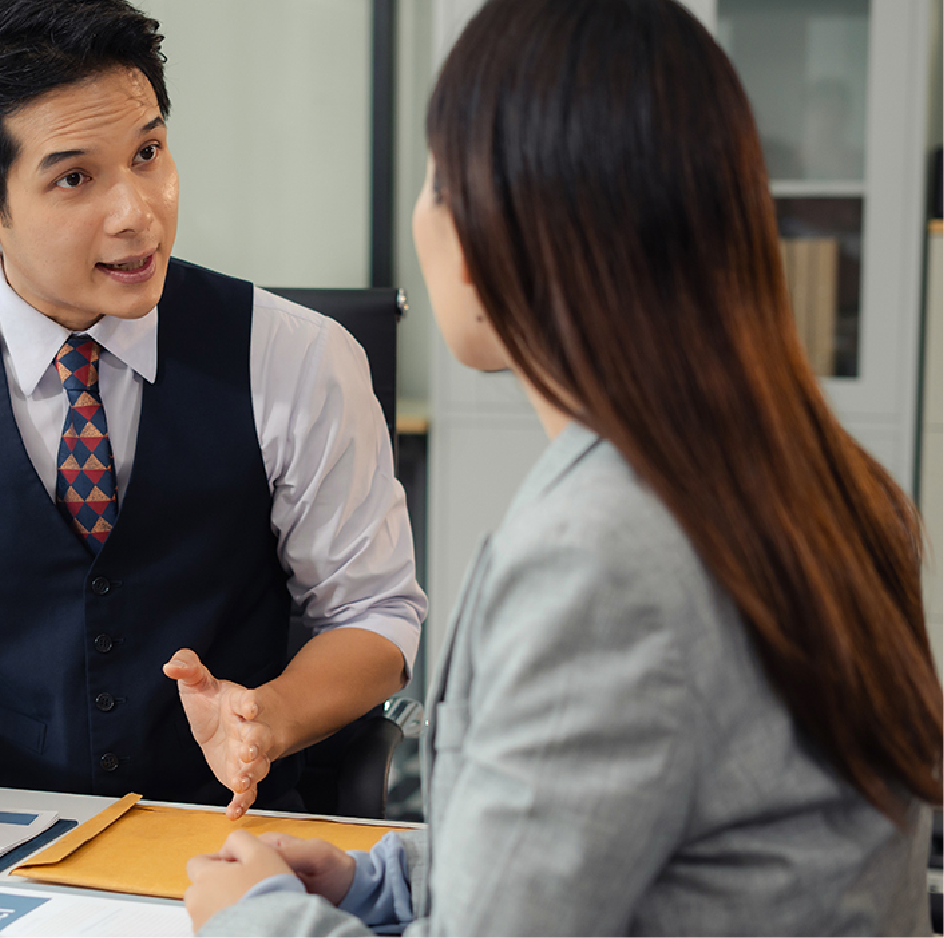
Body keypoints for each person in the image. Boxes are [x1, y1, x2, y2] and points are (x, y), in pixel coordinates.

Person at [184, 0, 943, 933]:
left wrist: (251, 916)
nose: (425, 217)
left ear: (505, 221)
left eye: (435, 179)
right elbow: (624, 833)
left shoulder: (601, 556)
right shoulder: (814, 480)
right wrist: (371, 883)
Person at [0, 0, 425, 830]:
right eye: (73, 178)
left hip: (235, 836)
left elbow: (372, 615)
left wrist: (265, 718)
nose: (137, 211)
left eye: (148, 153)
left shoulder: (298, 360)